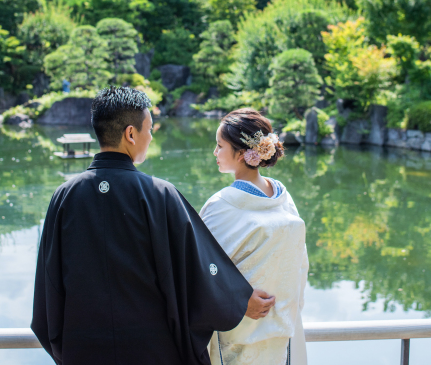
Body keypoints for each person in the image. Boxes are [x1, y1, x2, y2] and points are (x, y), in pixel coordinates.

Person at [31, 87, 276, 365]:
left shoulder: (64, 197)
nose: (151, 136)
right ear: (131, 134)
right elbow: (198, 267)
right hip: (151, 350)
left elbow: (48, 285)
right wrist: (240, 297)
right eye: (149, 129)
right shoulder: (160, 194)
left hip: (83, 350)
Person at [201, 108, 309, 365]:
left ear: (240, 154)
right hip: (282, 328)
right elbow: (301, 267)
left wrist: (237, 300)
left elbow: (199, 271)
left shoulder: (222, 205)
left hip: (238, 334)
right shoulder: (284, 198)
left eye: (219, 146)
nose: (215, 153)